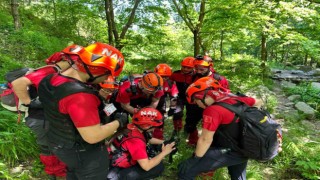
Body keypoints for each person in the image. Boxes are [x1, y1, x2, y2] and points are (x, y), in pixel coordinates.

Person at [37, 42, 127, 179]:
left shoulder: (51, 79)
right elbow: (93, 136)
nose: (107, 79)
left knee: (73, 172)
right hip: (84, 152)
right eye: (107, 74)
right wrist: (119, 122)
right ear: (99, 70)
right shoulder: (81, 96)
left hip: (59, 142)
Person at [11, 44, 82, 179]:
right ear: (70, 60)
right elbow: (18, 84)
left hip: (47, 118)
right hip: (40, 118)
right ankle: (54, 174)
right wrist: (30, 102)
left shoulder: (62, 72)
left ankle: (58, 172)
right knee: (48, 148)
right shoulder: (50, 71)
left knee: (55, 146)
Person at [178, 77, 263, 179]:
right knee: (238, 176)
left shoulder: (212, 111)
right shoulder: (234, 97)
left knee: (187, 170)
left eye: (196, 101)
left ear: (202, 96)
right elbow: (258, 102)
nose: (197, 105)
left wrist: (194, 159)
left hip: (234, 150)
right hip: (246, 147)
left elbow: (205, 140)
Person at [107, 107, 176, 180]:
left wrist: (164, 142)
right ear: (147, 126)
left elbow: (148, 139)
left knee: (151, 155)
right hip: (116, 172)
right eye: (155, 126)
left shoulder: (130, 127)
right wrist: (164, 152)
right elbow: (146, 166)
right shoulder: (136, 141)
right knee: (158, 167)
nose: (156, 128)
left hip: (110, 161)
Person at [184, 55, 230, 146]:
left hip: (213, 107)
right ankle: (193, 141)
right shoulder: (193, 77)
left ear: (210, 67)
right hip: (195, 105)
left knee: (213, 127)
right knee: (190, 124)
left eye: (202, 70)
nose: (199, 72)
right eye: (197, 69)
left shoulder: (219, 79)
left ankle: (212, 145)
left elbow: (225, 95)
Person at [169, 57, 195, 136]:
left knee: (190, 115)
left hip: (191, 98)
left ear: (193, 67)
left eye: (188, 68)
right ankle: (177, 129)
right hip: (179, 97)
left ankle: (188, 129)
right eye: (184, 67)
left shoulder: (196, 75)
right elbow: (169, 82)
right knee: (177, 113)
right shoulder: (176, 74)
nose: (186, 69)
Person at [153, 63, 179, 140]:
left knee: (160, 120)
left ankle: (158, 139)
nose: (164, 79)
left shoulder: (170, 83)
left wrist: (172, 108)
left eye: (166, 77)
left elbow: (174, 96)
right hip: (148, 101)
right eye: (161, 76)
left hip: (161, 102)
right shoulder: (150, 79)